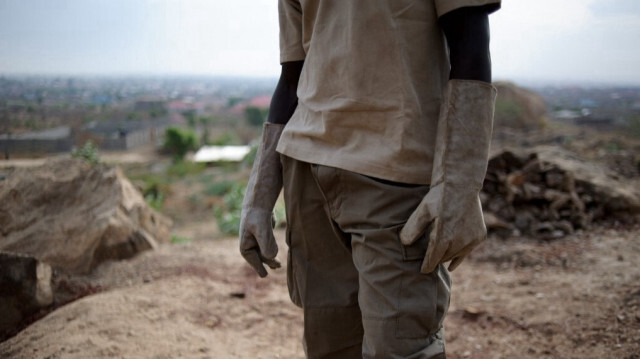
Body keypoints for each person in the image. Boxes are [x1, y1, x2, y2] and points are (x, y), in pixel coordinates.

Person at [240, 0, 501, 357]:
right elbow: (292, 74)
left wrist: (459, 183)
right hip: (306, 173)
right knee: (329, 347)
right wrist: (258, 197)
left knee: (401, 348)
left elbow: (470, 41)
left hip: (396, 175)